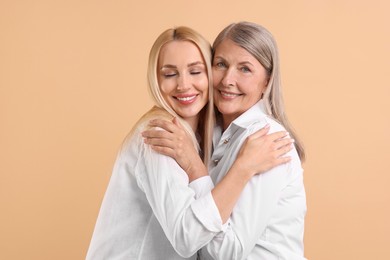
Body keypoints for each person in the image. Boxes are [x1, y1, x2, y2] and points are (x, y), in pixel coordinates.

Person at [86, 26, 294, 260]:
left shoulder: (249, 139)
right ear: (156, 80)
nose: (183, 85)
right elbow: (189, 238)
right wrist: (241, 168)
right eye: (169, 74)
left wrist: (197, 164)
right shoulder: (161, 134)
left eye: (195, 71)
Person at [143, 21, 307, 259]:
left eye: (245, 69)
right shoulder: (215, 134)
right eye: (221, 64)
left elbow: (225, 252)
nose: (227, 80)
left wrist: (195, 166)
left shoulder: (266, 141)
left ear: (267, 82)